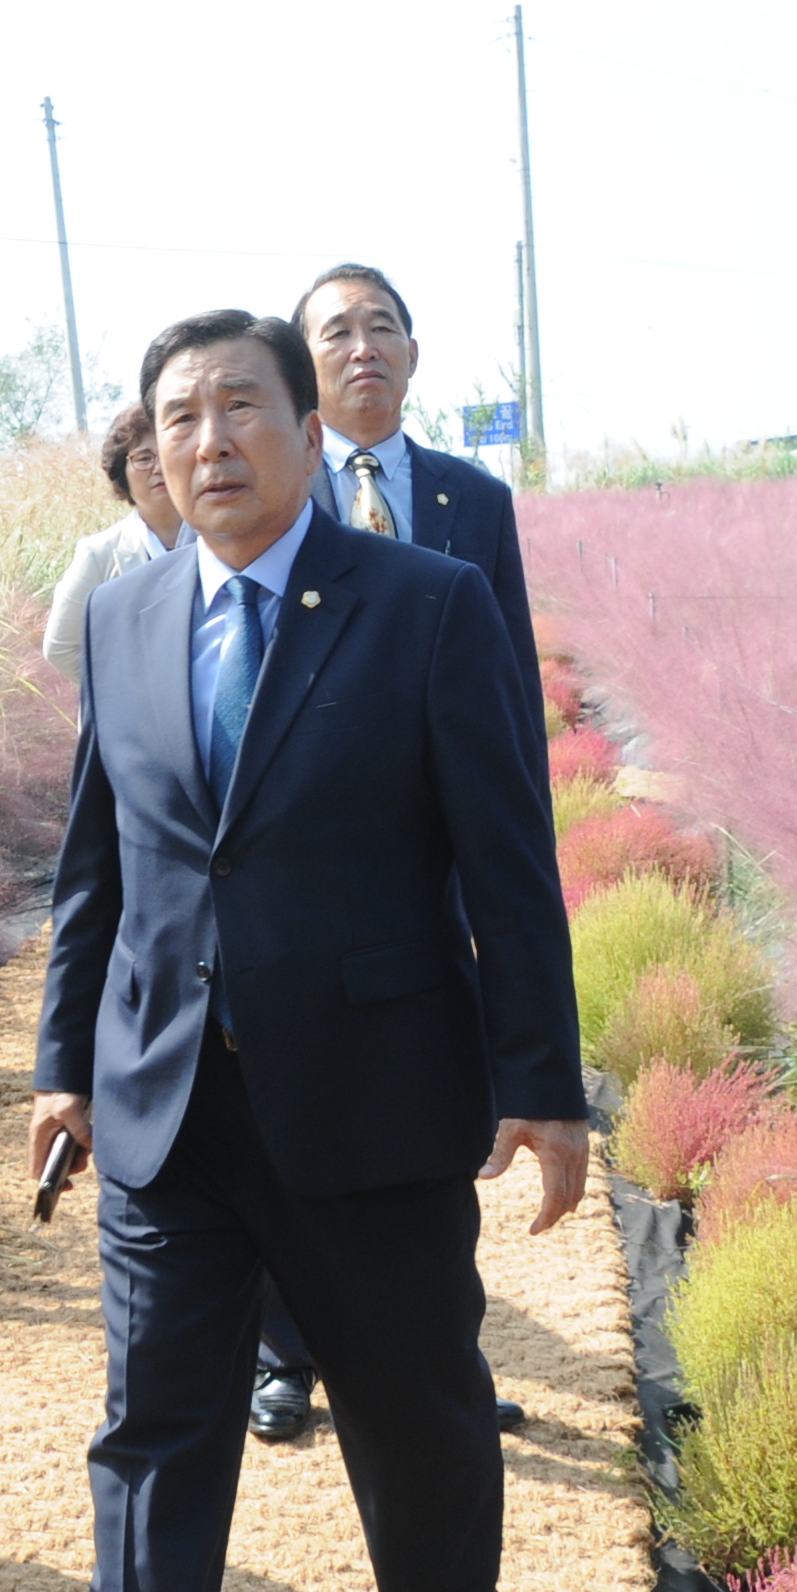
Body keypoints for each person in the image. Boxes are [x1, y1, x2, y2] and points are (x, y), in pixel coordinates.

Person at [20, 306, 586, 1592]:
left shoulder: (425, 606)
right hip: (169, 1107)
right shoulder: (130, 619)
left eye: (240, 408)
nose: (211, 442)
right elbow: (95, 866)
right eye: (180, 417)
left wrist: (544, 1078)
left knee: (410, 1404)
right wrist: (66, 1063)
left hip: (374, 1097)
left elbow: (505, 855)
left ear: (305, 424)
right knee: (152, 1428)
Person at [244, 263, 555, 1447]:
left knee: (431, 1103)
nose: (362, 345)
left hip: (437, 843)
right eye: (336, 331)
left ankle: (439, 1355)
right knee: (281, 1106)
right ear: (303, 371)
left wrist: (509, 823)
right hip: (309, 847)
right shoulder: (274, 497)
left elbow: (508, 673)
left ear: (415, 355)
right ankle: (287, 1358)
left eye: (382, 327)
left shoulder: (473, 501)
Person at [39, 402, 181, 673]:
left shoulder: (223, 540)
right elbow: (60, 647)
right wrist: (125, 691)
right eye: (143, 458)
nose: (159, 467)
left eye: (167, 452)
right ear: (122, 472)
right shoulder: (99, 554)